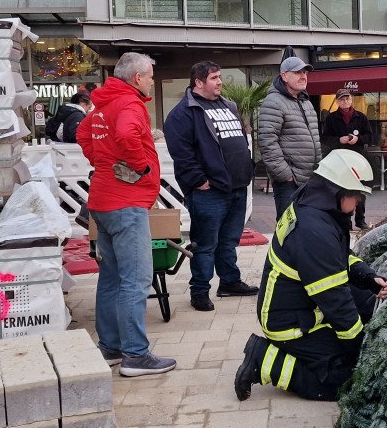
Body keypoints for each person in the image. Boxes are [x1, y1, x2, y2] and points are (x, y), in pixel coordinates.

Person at [234, 149, 387, 402]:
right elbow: (336, 301)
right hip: (290, 323)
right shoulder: (313, 229)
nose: (359, 202)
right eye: (358, 195)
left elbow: (336, 258)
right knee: (348, 377)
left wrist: (368, 278)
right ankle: (263, 359)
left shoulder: (315, 205)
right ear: (337, 190)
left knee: (363, 302)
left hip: (300, 301)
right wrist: (360, 348)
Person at [76, 52, 176, 377]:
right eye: (149, 76)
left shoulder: (104, 104)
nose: (150, 81)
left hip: (102, 202)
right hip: (125, 204)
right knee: (136, 280)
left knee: (111, 279)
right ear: (137, 78)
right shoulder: (131, 105)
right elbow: (127, 136)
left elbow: (82, 134)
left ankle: (111, 348)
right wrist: (143, 168)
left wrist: (103, 163)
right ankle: (136, 355)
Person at [163, 61, 259, 312]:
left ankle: (229, 282)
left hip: (236, 187)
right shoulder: (183, 113)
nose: (220, 82)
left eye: (220, 77)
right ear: (199, 82)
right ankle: (200, 291)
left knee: (229, 241)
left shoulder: (228, 106)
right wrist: (198, 181)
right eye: (215, 78)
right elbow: (181, 154)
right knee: (205, 245)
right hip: (210, 192)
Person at [258, 56, 322, 219]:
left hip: (310, 178)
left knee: (307, 226)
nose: (303, 76)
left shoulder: (305, 102)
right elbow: (267, 141)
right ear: (284, 76)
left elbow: (314, 139)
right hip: (289, 182)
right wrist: (285, 175)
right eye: (297, 72)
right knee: (288, 230)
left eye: (305, 72)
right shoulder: (273, 102)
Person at [320, 89, 373, 230]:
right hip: (340, 160)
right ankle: (346, 221)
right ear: (337, 101)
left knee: (360, 190)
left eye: (347, 98)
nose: (345, 101)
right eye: (342, 99)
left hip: (358, 159)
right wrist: (339, 140)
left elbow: (370, 136)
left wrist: (358, 139)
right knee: (343, 190)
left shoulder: (360, 117)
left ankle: (360, 220)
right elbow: (325, 139)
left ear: (351, 100)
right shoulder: (331, 118)